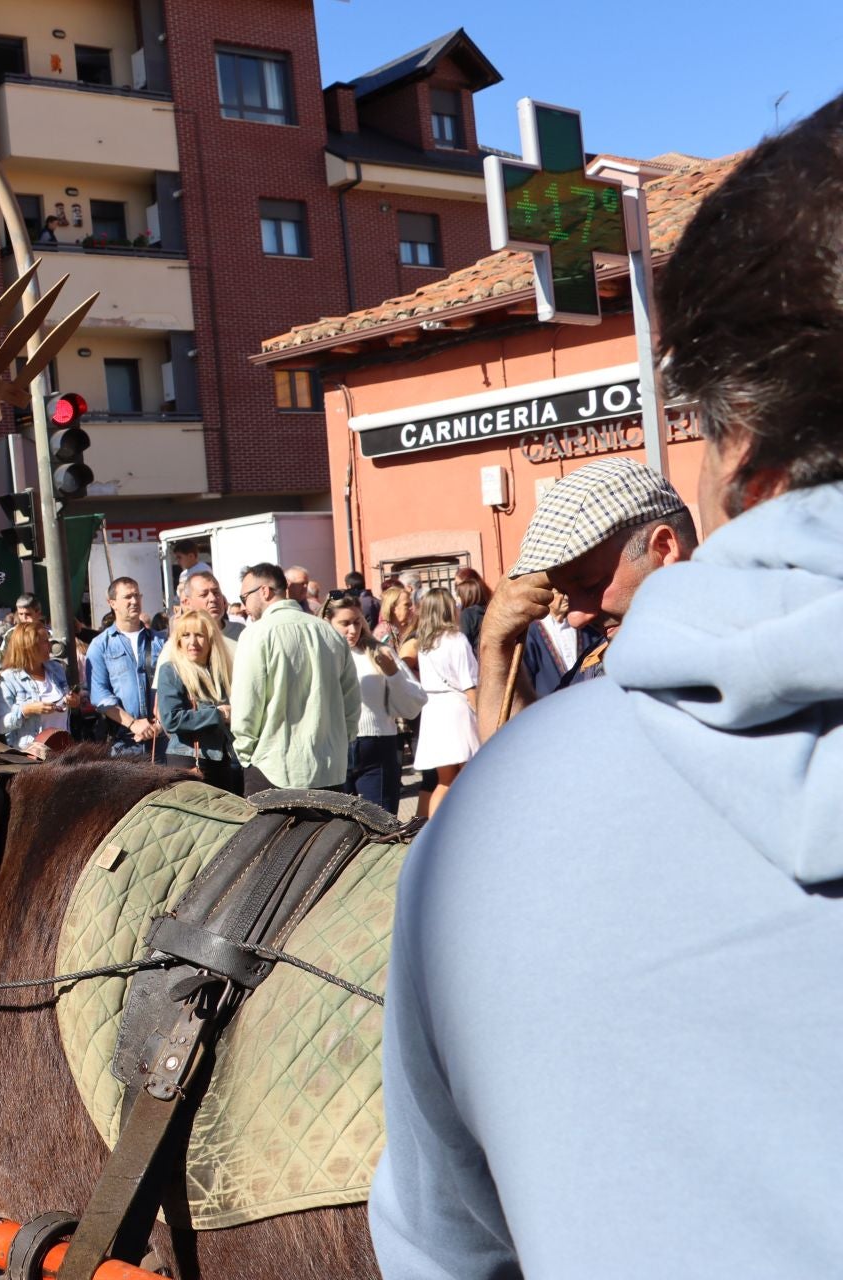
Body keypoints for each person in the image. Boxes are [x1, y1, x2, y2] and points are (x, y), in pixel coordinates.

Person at [371, 98, 843, 1277]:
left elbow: (446, 1243)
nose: (578, 609)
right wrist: (491, 659)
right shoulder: (566, 708)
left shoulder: (516, 815)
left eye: (587, 583)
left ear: (736, 460)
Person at [476, 457, 696, 736]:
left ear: (663, 549)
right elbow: (523, 763)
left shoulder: (737, 650)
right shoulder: (600, 662)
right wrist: (495, 644)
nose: (576, 617)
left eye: (591, 584)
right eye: (566, 592)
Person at [229, 562, 359, 793]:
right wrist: (341, 741)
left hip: (273, 767)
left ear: (264, 591)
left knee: (271, 831)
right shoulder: (329, 632)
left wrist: (246, 754)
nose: (244, 605)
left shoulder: (256, 634)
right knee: (329, 830)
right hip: (329, 766)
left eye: (244, 596)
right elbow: (351, 698)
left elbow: (246, 703)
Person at [324, 596, 424, 813]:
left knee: (380, 823)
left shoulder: (377, 651)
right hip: (332, 747)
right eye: (345, 623)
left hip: (378, 746)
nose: (353, 630)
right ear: (327, 621)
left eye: (357, 622)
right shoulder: (319, 655)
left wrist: (393, 674)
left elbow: (414, 703)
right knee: (337, 828)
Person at [407, 590, 478, 814]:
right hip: (456, 708)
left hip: (434, 709)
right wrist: (482, 715)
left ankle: (435, 828)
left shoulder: (426, 644)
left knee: (444, 781)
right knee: (472, 775)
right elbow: (468, 683)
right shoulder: (456, 639)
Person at [156, 609, 240, 791]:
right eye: (186, 635)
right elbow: (171, 720)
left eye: (199, 635)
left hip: (222, 759)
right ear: (178, 640)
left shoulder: (220, 671)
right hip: (188, 760)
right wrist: (217, 714)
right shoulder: (171, 670)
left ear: (211, 639)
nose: (193, 642)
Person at [86, 578, 164, 757]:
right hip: (122, 743)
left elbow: (173, 687)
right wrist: (133, 724)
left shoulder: (161, 641)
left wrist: (159, 724)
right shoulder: (100, 646)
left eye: (137, 595)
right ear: (112, 603)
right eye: (128, 596)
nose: (135, 601)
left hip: (161, 740)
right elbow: (100, 696)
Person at [0, 621, 71, 751]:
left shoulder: (56, 668)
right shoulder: (8, 678)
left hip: (63, 749)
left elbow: (66, 702)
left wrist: (73, 701)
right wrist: (26, 710)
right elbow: (1, 725)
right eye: (45, 641)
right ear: (29, 647)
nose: (50, 646)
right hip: (31, 756)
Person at [452, 567, 491, 650]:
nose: (456, 590)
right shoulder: (490, 607)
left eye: (458, 585)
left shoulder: (467, 614)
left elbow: (463, 644)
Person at [374, 585, 413, 649]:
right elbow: (383, 655)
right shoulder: (384, 632)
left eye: (411, 605)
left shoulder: (411, 628)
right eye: (406, 605)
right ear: (393, 608)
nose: (411, 608)